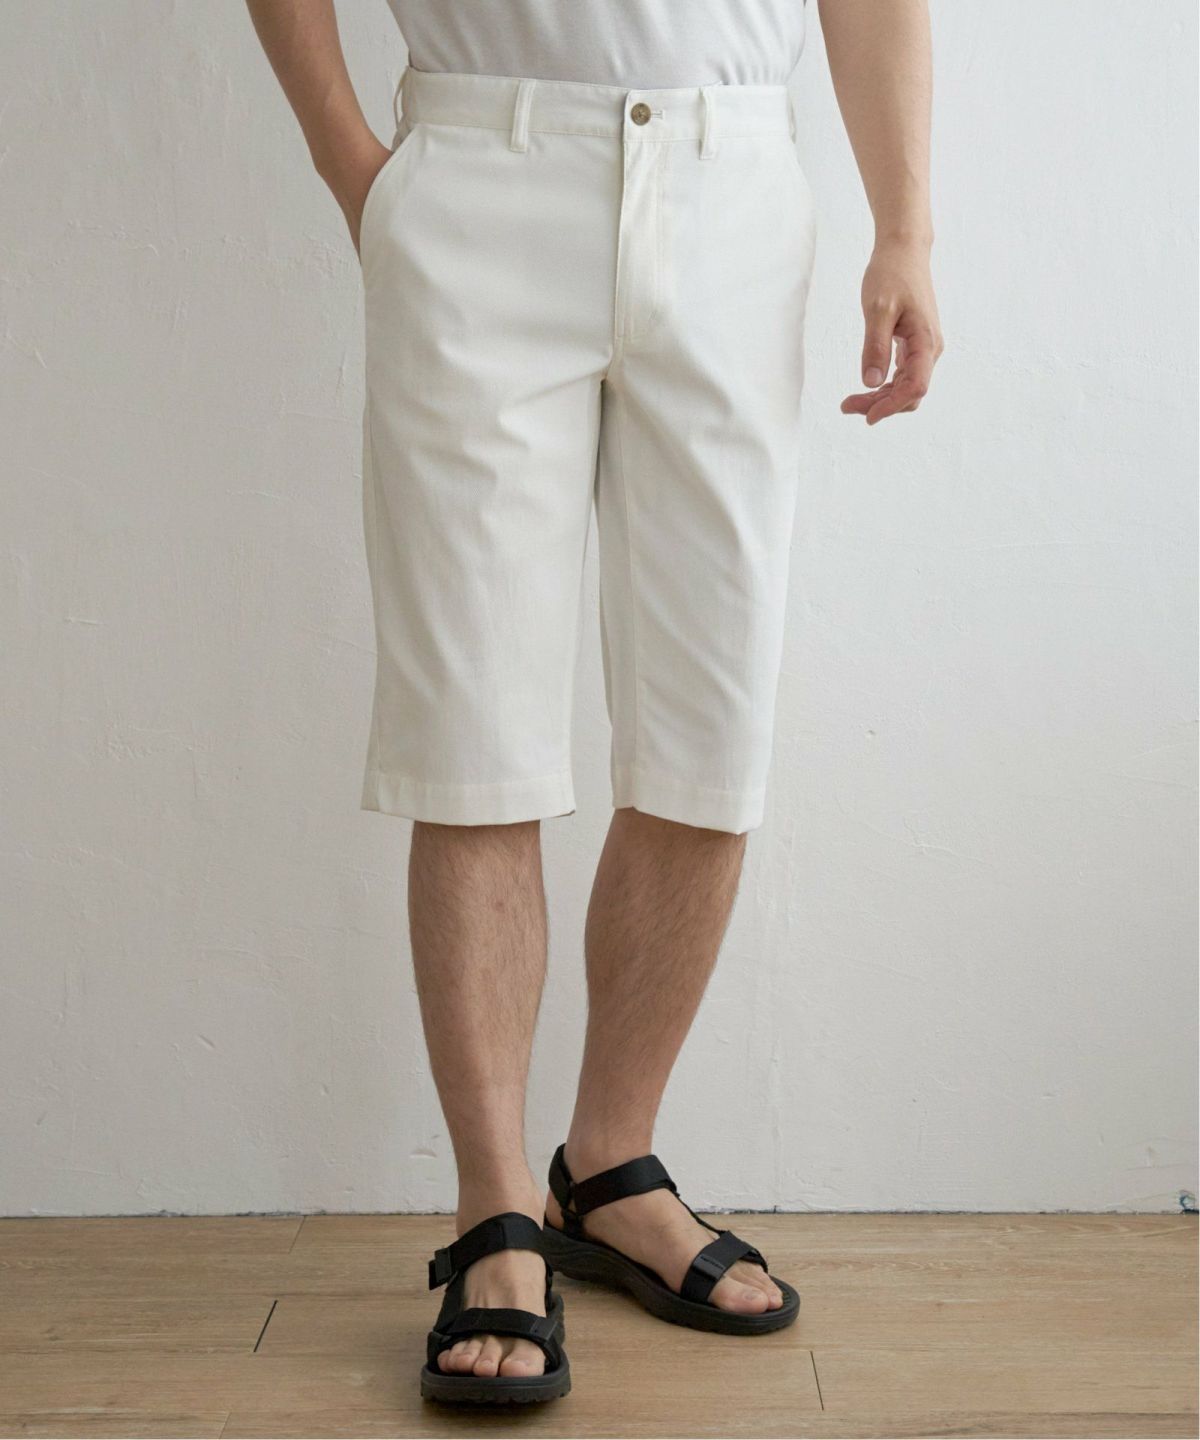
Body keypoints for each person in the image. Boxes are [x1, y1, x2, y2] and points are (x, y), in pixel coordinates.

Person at [246, 0, 942, 1406]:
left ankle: (610, 1162)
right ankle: (495, 1208)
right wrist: (349, 162)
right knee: (471, 736)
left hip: (734, 194)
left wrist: (907, 229)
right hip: (476, 178)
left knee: (709, 729)